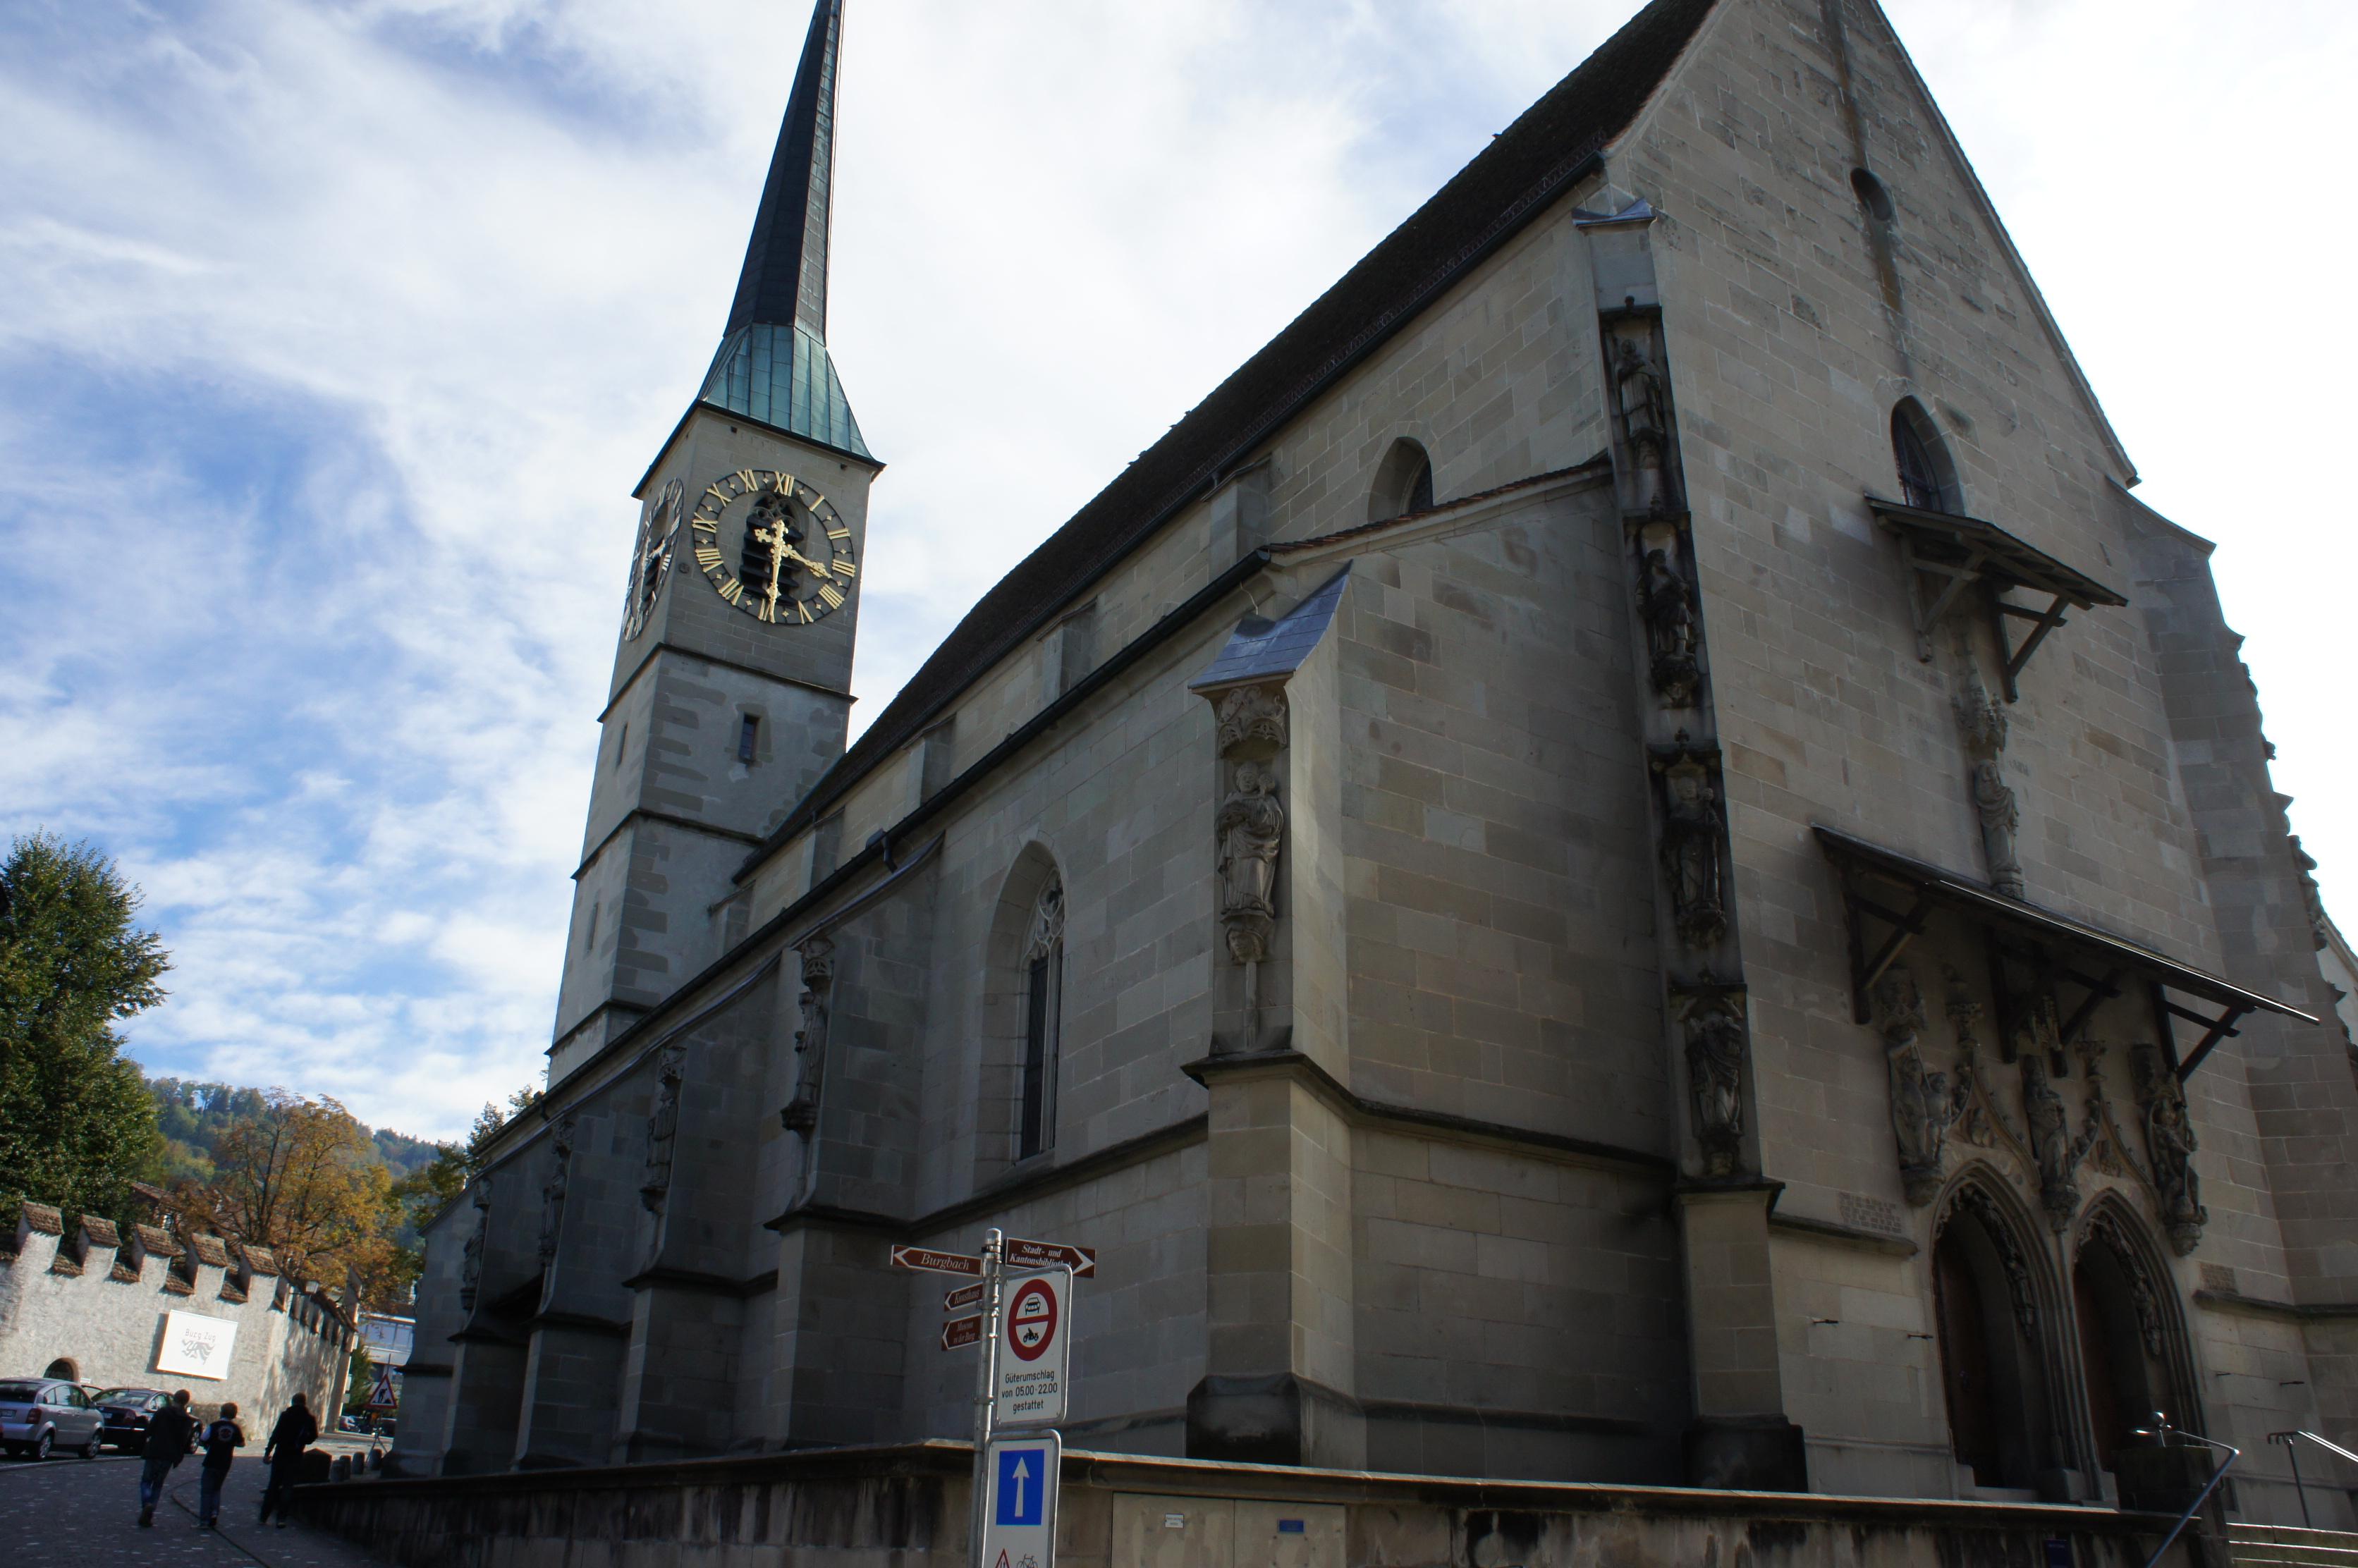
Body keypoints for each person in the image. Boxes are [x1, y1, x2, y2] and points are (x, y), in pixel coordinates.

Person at [135, 1389, 195, 1528]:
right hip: (169, 1455)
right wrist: (178, 1457)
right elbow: (183, 1441)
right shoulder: (186, 1419)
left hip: (155, 1451)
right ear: (186, 1402)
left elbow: (150, 1429)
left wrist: (143, 1441)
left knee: (146, 1481)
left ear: (174, 1399)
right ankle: (151, 1508)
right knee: (158, 1484)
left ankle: (147, 1503)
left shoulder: (163, 1412)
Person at [257, 1392, 317, 1529]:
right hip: (296, 1454)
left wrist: (268, 1452)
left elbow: (276, 1434)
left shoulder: (286, 1415)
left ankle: (263, 1516)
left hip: (281, 1453)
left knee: (273, 1485)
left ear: (293, 1402)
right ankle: (281, 1519)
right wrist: (303, 1441)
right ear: (305, 1403)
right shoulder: (309, 1418)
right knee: (288, 1487)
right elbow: (314, 1436)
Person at [196, 1404, 245, 1529]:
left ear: (221, 1412)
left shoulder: (214, 1426)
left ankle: (204, 1521)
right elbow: (241, 1443)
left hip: (212, 1460)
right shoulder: (235, 1428)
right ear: (234, 1415)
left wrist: (209, 1444)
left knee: (206, 1491)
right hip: (225, 1462)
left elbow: (203, 1439)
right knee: (217, 1489)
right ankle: (214, 1513)